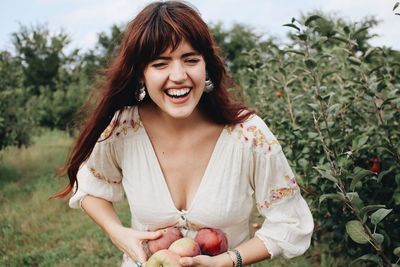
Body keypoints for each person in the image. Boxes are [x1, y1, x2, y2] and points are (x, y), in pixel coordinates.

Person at [55, 1, 314, 266]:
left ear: (206, 66)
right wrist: (116, 232)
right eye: (160, 63)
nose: (178, 76)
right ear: (141, 74)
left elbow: (290, 221)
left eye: (191, 60)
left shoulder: (248, 135)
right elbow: (90, 186)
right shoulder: (123, 128)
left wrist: (228, 259)